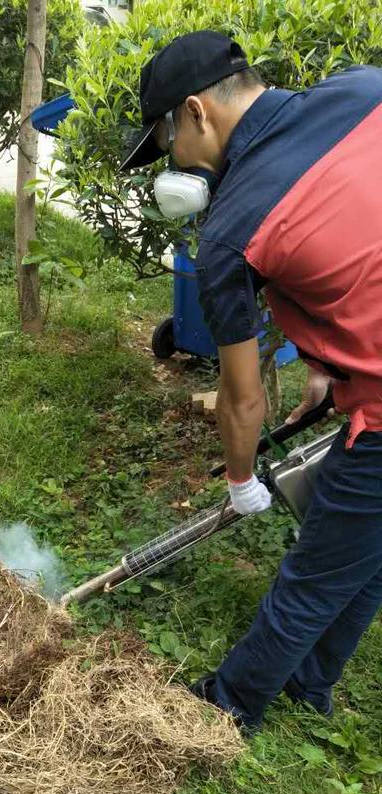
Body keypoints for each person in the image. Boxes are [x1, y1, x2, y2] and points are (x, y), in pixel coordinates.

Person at [121, 31, 382, 734]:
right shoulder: (364, 88)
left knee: (315, 570)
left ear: (197, 112)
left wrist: (241, 481)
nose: (174, 162)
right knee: (366, 554)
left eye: (167, 144)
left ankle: (228, 705)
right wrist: (329, 370)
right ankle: (311, 681)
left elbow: (242, 398)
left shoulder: (231, 230)